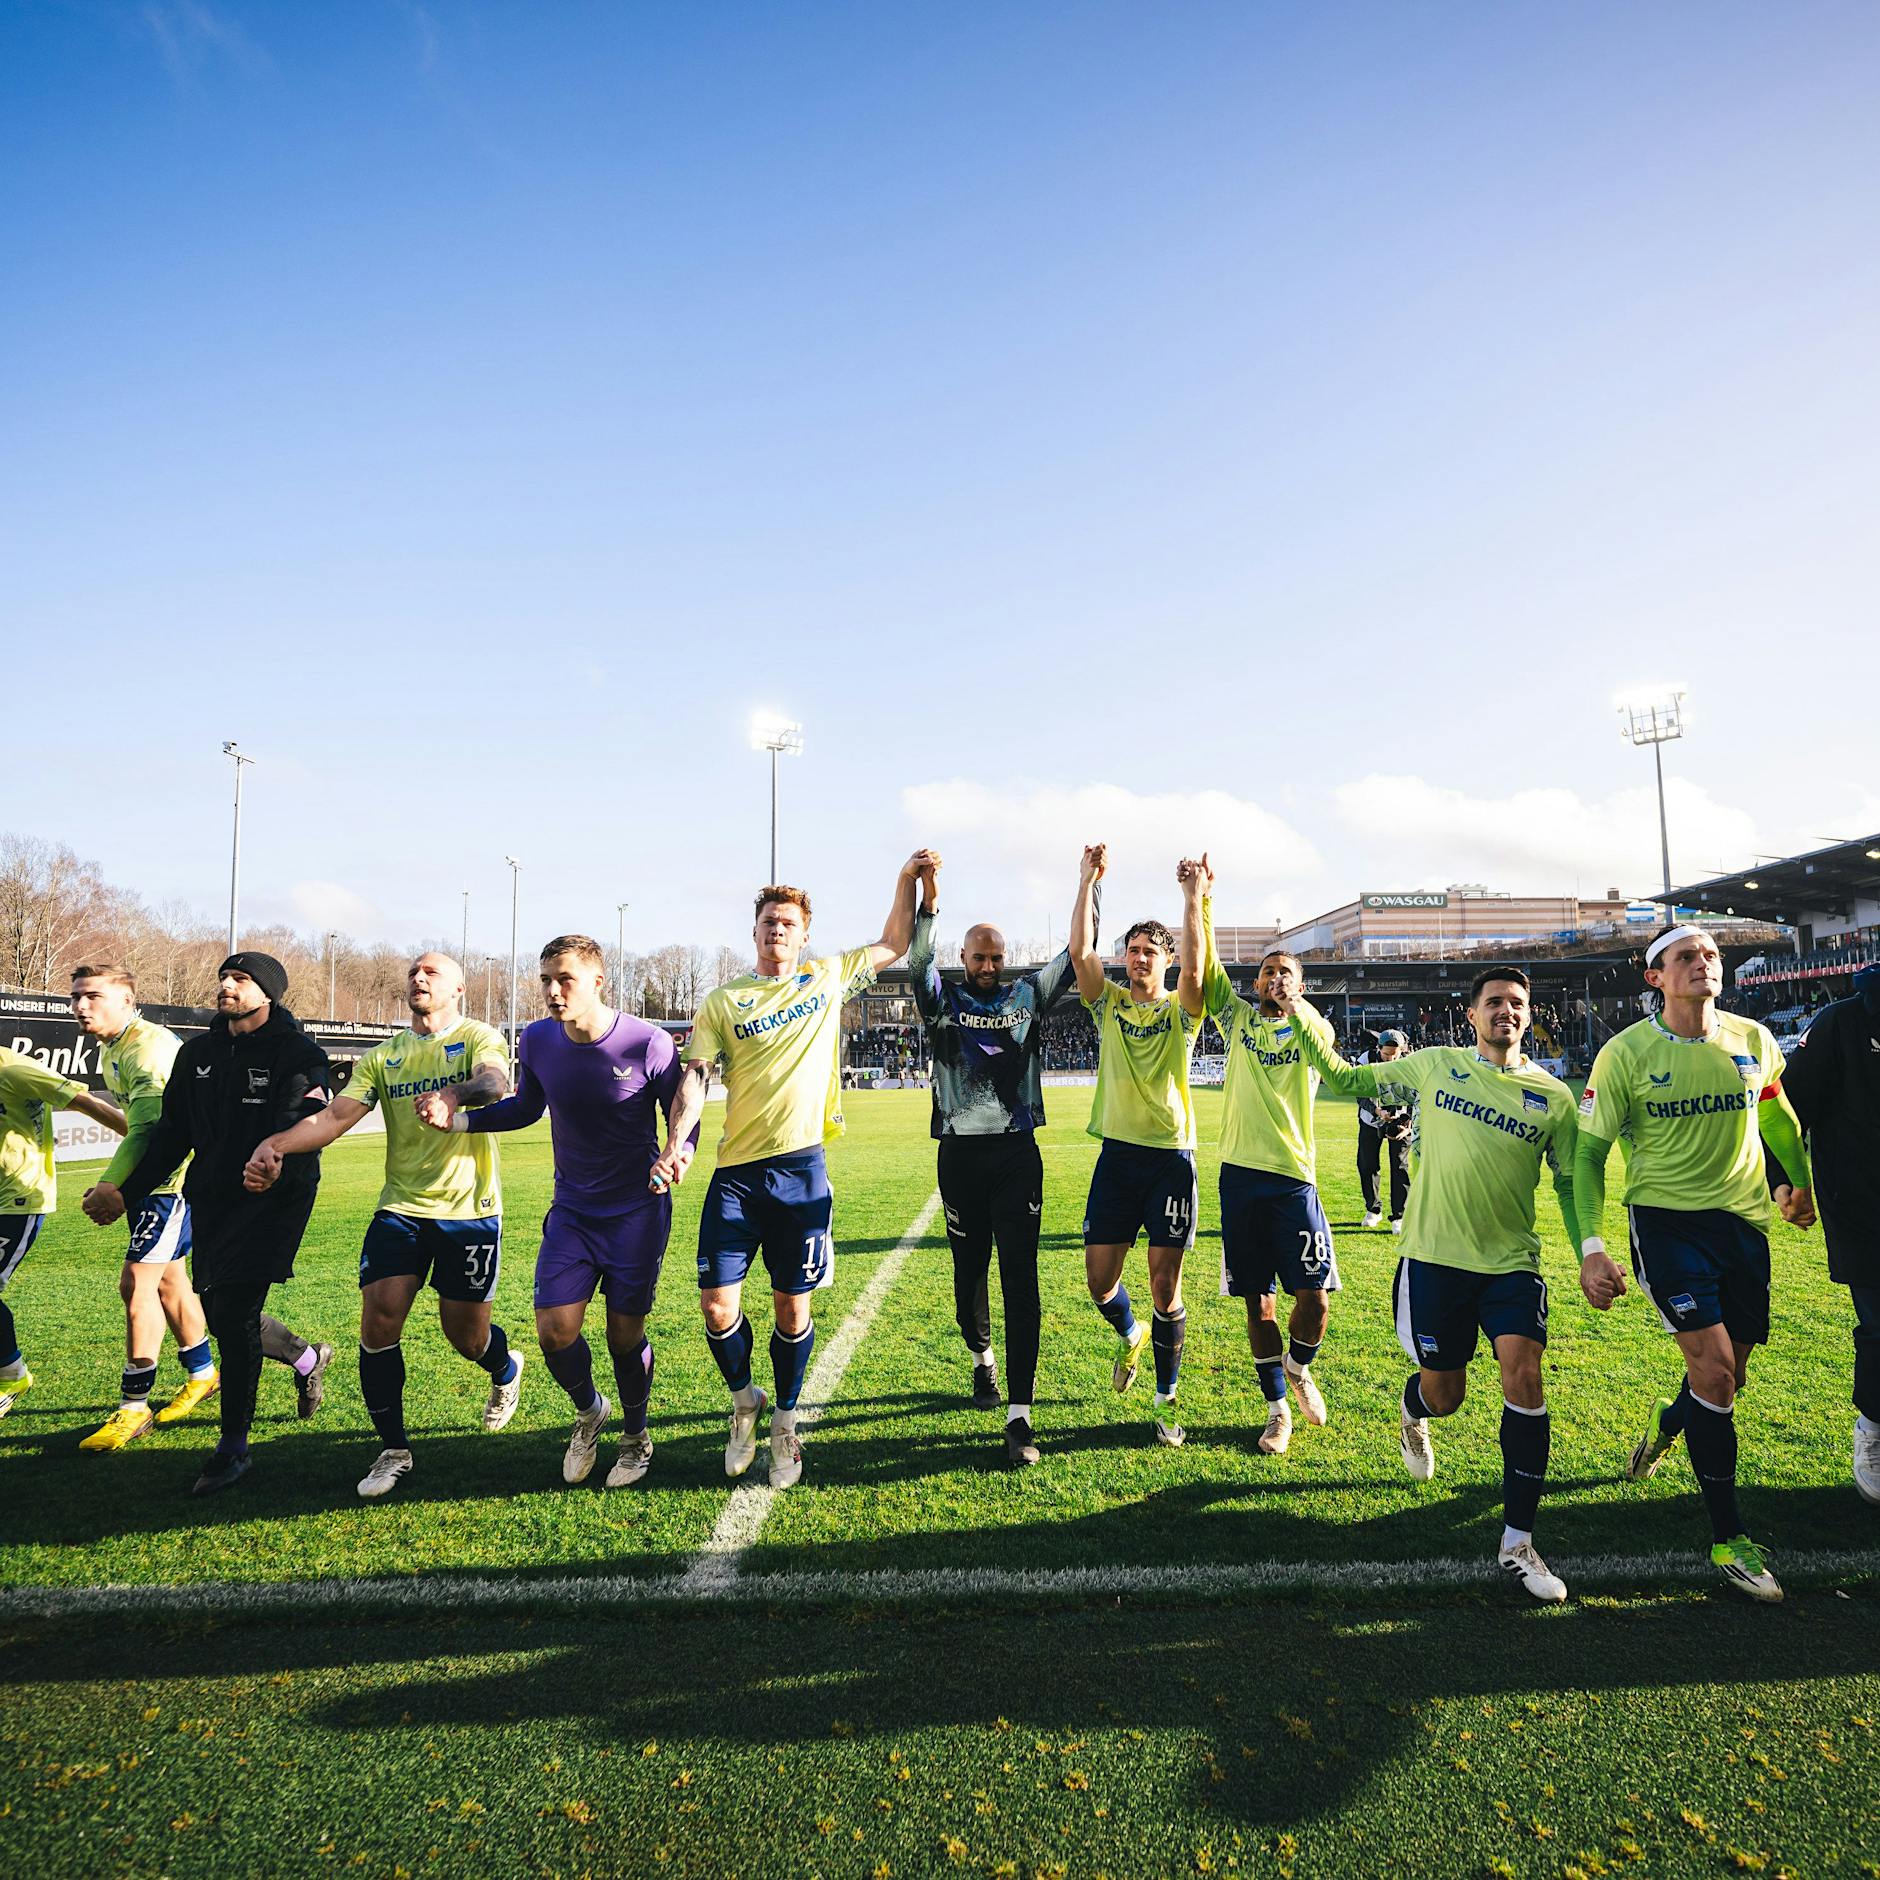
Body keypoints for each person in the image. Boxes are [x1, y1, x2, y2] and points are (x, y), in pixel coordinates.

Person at [1280, 966, 1581, 1603]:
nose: (1506, 1010)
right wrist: (1304, 1017)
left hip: (1511, 1265)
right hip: (1435, 1263)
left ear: (1529, 1017)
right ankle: (1413, 1411)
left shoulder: (1552, 1098)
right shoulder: (1435, 1065)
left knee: (1524, 1375)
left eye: (1517, 1003)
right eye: (1494, 1001)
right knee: (1446, 1397)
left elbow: (1571, 1180)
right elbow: (1344, 1078)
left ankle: (1518, 1541)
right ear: (1470, 1016)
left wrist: (1593, 1250)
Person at [657, 852, 937, 1489]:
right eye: (767, 923)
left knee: (790, 1308)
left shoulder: (827, 976)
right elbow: (696, 1078)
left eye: (787, 922)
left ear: (804, 933)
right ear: (753, 933)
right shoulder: (722, 1001)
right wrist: (678, 1142)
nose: (777, 931)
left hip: (802, 1171)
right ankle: (743, 1399)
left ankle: (784, 1418)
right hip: (735, 1175)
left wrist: (904, 881)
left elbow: (896, 941)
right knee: (716, 1308)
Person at [1576, 925, 1815, 1601]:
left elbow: (1776, 1116)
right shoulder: (1624, 1055)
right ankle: (1729, 1539)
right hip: (1666, 1225)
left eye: (1711, 955)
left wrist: (1798, 1184)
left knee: (1727, 1377)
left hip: (1743, 1228)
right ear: (1655, 977)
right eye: (1686, 957)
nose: (1703, 964)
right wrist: (1592, 1248)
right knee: (1712, 1372)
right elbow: (1590, 1156)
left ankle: (1667, 1424)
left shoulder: (1753, 1039)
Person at [422, 935, 697, 1489]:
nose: (551, 990)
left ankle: (636, 1435)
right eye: (545, 978)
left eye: (564, 979)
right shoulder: (540, 1038)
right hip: (572, 1210)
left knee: (625, 1336)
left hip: (637, 1212)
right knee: (554, 1331)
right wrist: (459, 1121)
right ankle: (590, 1411)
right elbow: (527, 1106)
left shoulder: (648, 1042)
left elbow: (682, 1114)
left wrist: (678, 1156)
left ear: (598, 981)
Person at [245, 952, 520, 1500]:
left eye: (433, 973)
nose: (419, 978)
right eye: (414, 972)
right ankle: (393, 1450)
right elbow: (332, 1118)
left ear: (459, 989)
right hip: (400, 1209)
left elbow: (496, 1082)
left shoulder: (478, 1036)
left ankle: (504, 1368)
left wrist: (454, 1094)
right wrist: (274, 1145)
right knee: (378, 1323)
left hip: (470, 1212)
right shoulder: (385, 1056)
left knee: (465, 1337)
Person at [94, 954, 335, 1494]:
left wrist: (273, 1161)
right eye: (224, 977)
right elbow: (172, 1135)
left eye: (241, 979)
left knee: (232, 1309)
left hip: (276, 1196)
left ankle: (233, 1447)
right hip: (212, 1195)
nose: (227, 985)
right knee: (223, 1311)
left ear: (268, 992)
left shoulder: (298, 1052)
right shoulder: (197, 1054)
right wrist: (123, 1192)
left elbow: (301, 1124)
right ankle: (304, 1356)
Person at [907, 854, 1087, 1466]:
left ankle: (1020, 1416)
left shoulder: (1027, 996)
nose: (988, 966)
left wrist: (1088, 883)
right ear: (965, 960)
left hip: (1016, 1154)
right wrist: (928, 899)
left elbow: (1075, 954)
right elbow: (917, 960)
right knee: (968, 1280)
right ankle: (982, 1360)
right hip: (958, 1157)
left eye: (996, 957)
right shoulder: (940, 1004)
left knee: (1021, 1280)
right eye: (979, 957)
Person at [1196, 863, 1339, 1457]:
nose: (1275, 979)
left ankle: (1300, 1365)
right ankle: (1277, 1409)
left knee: (1316, 1299)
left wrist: (1296, 1003)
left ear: (1300, 986)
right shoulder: (1236, 1021)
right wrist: (1200, 901)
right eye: (1267, 973)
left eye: (1286, 973)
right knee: (1257, 1300)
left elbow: (1321, 1036)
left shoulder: (1312, 1029)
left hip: (1293, 1183)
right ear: (1254, 985)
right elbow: (1203, 971)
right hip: (1240, 1180)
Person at [1070, 845, 1207, 1448]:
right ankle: (1131, 1333)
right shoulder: (1110, 1006)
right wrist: (1086, 881)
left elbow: (1200, 973)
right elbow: (1080, 954)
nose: (1138, 959)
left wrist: (1192, 898)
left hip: (1171, 1160)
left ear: (1167, 961)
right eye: (1133, 951)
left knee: (1163, 1285)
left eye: (1150, 952)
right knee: (1100, 1282)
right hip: (1118, 1158)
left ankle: (1166, 1400)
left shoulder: (1182, 1010)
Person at [68, 965, 220, 1448]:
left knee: (137, 1282)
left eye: (92, 996)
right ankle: (203, 1374)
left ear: (128, 1001)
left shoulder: (148, 1048)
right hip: (156, 1181)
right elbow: (136, 1120)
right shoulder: (114, 1047)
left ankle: (133, 1406)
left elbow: (155, 1133)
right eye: (75, 998)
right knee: (171, 1280)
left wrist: (114, 1184)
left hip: (172, 1182)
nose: (80, 1007)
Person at [1779, 961, 1880, 1502]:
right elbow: (1787, 1106)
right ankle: (1873, 1427)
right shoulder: (1843, 1023)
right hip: (1864, 1205)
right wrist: (1786, 1182)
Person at [0, 1045, 129, 1417]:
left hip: (17, 1199)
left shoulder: (15, 1070)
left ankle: (11, 1375)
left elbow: (85, 1102)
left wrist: (148, 1151)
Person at [1357, 1030, 1413, 1232]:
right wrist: (1377, 1110)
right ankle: (1373, 1210)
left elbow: (1419, 1095)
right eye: (1386, 1054)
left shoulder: (1410, 1062)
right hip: (1371, 1120)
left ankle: (1399, 1216)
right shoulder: (1365, 1060)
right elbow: (1359, 1092)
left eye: (1395, 1054)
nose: (1391, 1058)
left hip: (1401, 1123)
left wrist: (1408, 1126)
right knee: (1367, 1164)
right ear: (1378, 1048)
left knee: (1400, 1167)